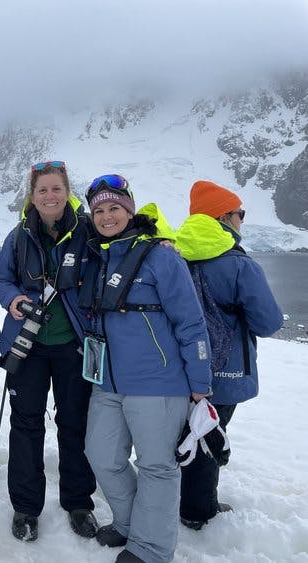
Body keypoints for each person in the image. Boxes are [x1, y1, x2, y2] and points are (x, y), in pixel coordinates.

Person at [79, 174, 212, 563]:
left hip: (159, 382)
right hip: (107, 382)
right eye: (99, 210)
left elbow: (191, 322)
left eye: (114, 208)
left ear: (130, 209)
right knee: (102, 455)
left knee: (156, 465)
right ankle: (129, 523)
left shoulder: (161, 256)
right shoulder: (97, 257)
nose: (106, 216)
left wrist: (200, 383)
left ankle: (151, 548)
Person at [0, 161, 98, 541]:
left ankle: (79, 502)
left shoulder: (88, 231)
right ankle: (25, 506)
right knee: (26, 425)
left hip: (74, 345)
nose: (49, 196)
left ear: (67, 191)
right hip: (29, 346)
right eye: (42, 190)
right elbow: (1, 278)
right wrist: (13, 298)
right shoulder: (17, 236)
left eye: (56, 189)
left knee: (75, 423)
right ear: (32, 196)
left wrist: (164, 239)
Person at [175, 180, 283, 530]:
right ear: (224, 216)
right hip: (224, 373)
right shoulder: (239, 265)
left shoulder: (173, 253)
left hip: (179, 369)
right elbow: (268, 322)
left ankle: (172, 496)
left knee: (182, 433)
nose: (242, 221)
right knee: (209, 437)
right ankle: (197, 511)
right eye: (240, 214)